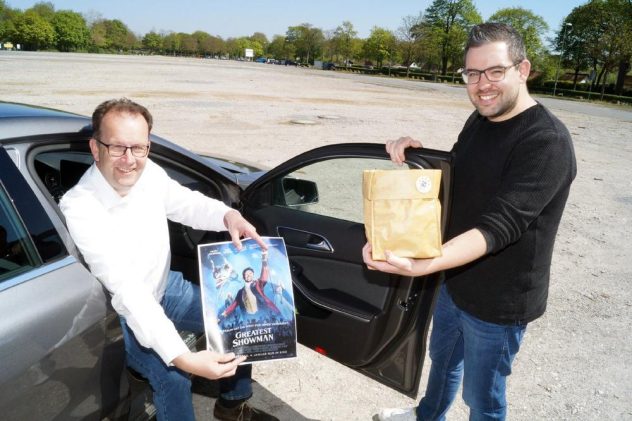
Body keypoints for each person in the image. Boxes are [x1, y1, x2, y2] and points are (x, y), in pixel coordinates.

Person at [363, 23, 576, 421]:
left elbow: (500, 226)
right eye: (472, 73)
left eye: (495, 71)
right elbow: (457, 177)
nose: (482, 85)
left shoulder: (547, 142)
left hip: (500, 303)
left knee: (483, 397)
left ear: (523, 70)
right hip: (455, 281)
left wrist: (424, 265)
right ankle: (428, 416)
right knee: (443, 362)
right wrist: (419, 158)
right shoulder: (480, 120)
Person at [60, 98, 278, 421]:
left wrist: (227, 216)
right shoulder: (80, 207)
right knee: (174, 377)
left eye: (139, 148)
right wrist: (183, 358)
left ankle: (232, 406)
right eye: (117, 147)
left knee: (240, 320)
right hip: (123, 315)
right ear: (95, 148)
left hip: (167, 287)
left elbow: (187, 204)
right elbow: (128, 291)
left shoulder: (149, 173)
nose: (129, 160)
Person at [219, 250, 282, 322]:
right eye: (246, 274)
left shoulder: (258, 284)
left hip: (263, 315)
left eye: (250, 273)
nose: (249, 275)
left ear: (253, 275)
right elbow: (233, 306)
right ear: (243, 277)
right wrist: (221, 316)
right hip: (249, 318)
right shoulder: (240, 292)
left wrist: (264, 261)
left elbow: (264, 276)